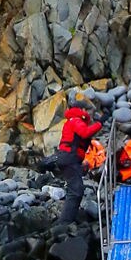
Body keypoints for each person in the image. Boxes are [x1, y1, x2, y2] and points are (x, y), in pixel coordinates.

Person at [39, 92, 102, 225]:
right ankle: (65, 223)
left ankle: (66, 221)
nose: (90, 114)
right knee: (76, 191)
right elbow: (85, 133)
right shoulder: (76, 120)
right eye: (88, 110)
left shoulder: (72, 121)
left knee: (76, 190)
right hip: (69, 158)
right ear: (82, 111)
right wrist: (99, 124)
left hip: (68, 158)